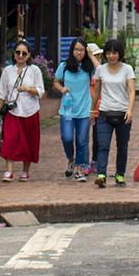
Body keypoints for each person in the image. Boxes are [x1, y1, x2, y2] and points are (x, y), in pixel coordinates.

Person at [0, 42, 46, 181]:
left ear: (29, 55)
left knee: (29, 141)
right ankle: (9, 171)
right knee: (10, 140)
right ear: (14, 53)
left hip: (30, 110)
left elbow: (40, 91)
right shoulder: (7, 71)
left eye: (24, 53)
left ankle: (25, 171)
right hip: (13, 111)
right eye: (18, 52)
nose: (20, 55)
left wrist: (27, 89)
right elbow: (2, 94)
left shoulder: (34, 70)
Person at [92, 38, 137, 188]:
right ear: (105, 54)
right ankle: (101, 175)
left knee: (122, 147)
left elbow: (131, 91)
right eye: (109, 53)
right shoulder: (100, 69)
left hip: (123, 113)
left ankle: (119, 174)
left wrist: (130, 110)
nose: (112, 56)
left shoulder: (127, 69)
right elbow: (97, 91)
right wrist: (93, 110)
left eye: (115, 53)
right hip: (104, 113)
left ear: (120, 54)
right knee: (103, 145)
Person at [53, 39, 96, 178]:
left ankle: (79, 168)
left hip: (84, 108)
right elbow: (55, 81)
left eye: (82, 50)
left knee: (82, 141)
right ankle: (71, 159)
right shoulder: (64, 66)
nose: (79, 52)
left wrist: (91, 55)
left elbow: (101, 70)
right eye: (76, 49)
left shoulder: (89, 68)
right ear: (72, 50)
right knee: (67, 138)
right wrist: (62, 88)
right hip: (67, 109)